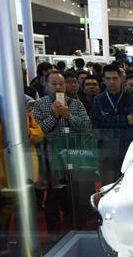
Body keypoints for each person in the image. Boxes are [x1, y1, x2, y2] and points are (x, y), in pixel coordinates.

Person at [0, 97, 43, 257]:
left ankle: (26, 248)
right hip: (3, 170)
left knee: (26, 210)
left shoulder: (26, 110)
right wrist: (17, 120)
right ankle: (2, 251)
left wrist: (25, 129)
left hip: (27, 167)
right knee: (3, 212)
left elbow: (39, 134)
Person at [33, 70, 91, 232]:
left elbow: (87, 127)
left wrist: (69, 116)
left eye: (61, 83)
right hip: (51, 157)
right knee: (53, 194)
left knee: (75, 193)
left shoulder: (76, 103)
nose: (58, 87)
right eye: (54, 84)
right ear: (46, 85)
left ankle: (77, 226)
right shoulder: (39, 105)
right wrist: (54, 115)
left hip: (75, 154)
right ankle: (54, 231)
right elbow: (37, 132)